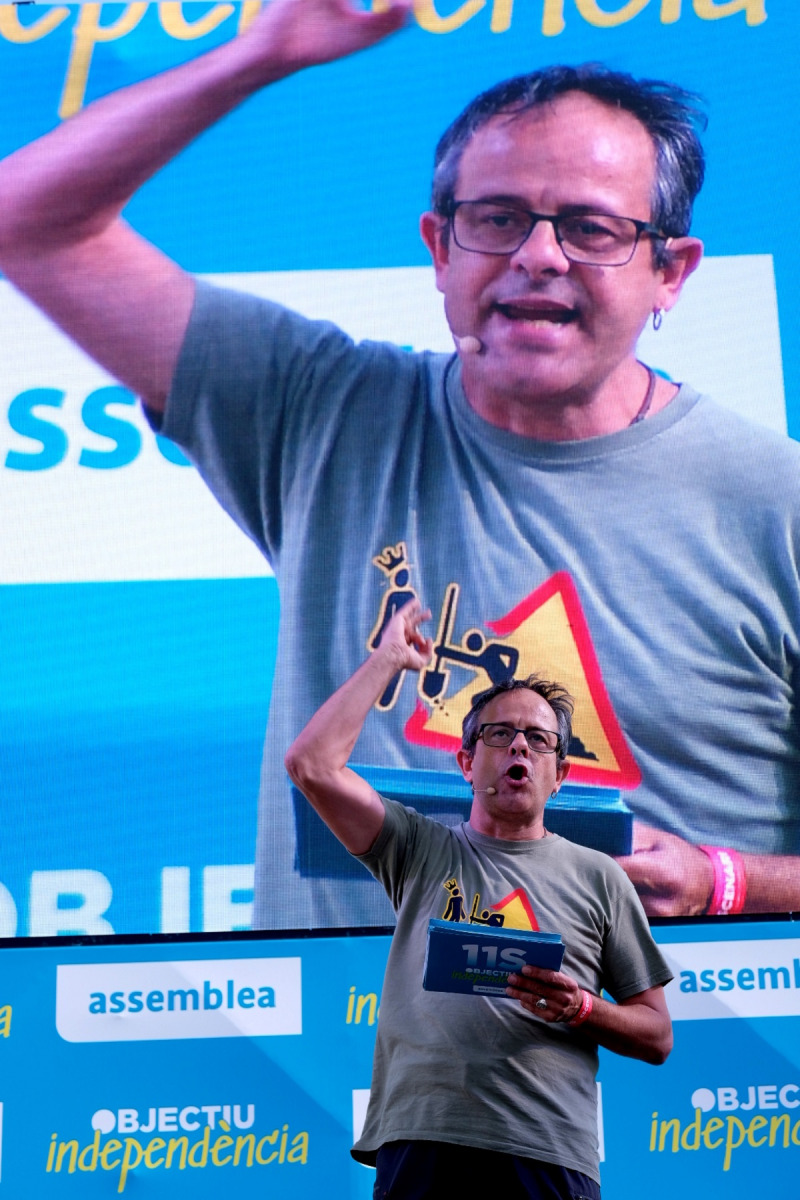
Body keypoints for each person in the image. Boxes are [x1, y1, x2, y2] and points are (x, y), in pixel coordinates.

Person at [0, 0, 798, 927]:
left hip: (651, 1019)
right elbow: (28, 222)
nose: (540, 255)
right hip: (346, 1021)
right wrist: (259, 56)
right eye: (498, 218)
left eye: (592, 229)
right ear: (439, 247)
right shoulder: (320, 410)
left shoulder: (776, 503)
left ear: (671, 271)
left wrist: (727, 882)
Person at [285, 599, 673, 1197]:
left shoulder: (600, 877)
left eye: (539, 739)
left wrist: (581, 1008)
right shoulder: (418, 848)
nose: (520, 748)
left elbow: (657, 1035)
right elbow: (311, 764)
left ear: (559, 775)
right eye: (500, 734)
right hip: (424, 1137)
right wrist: (389, 659)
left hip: (548, 1149)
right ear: (467, 761)